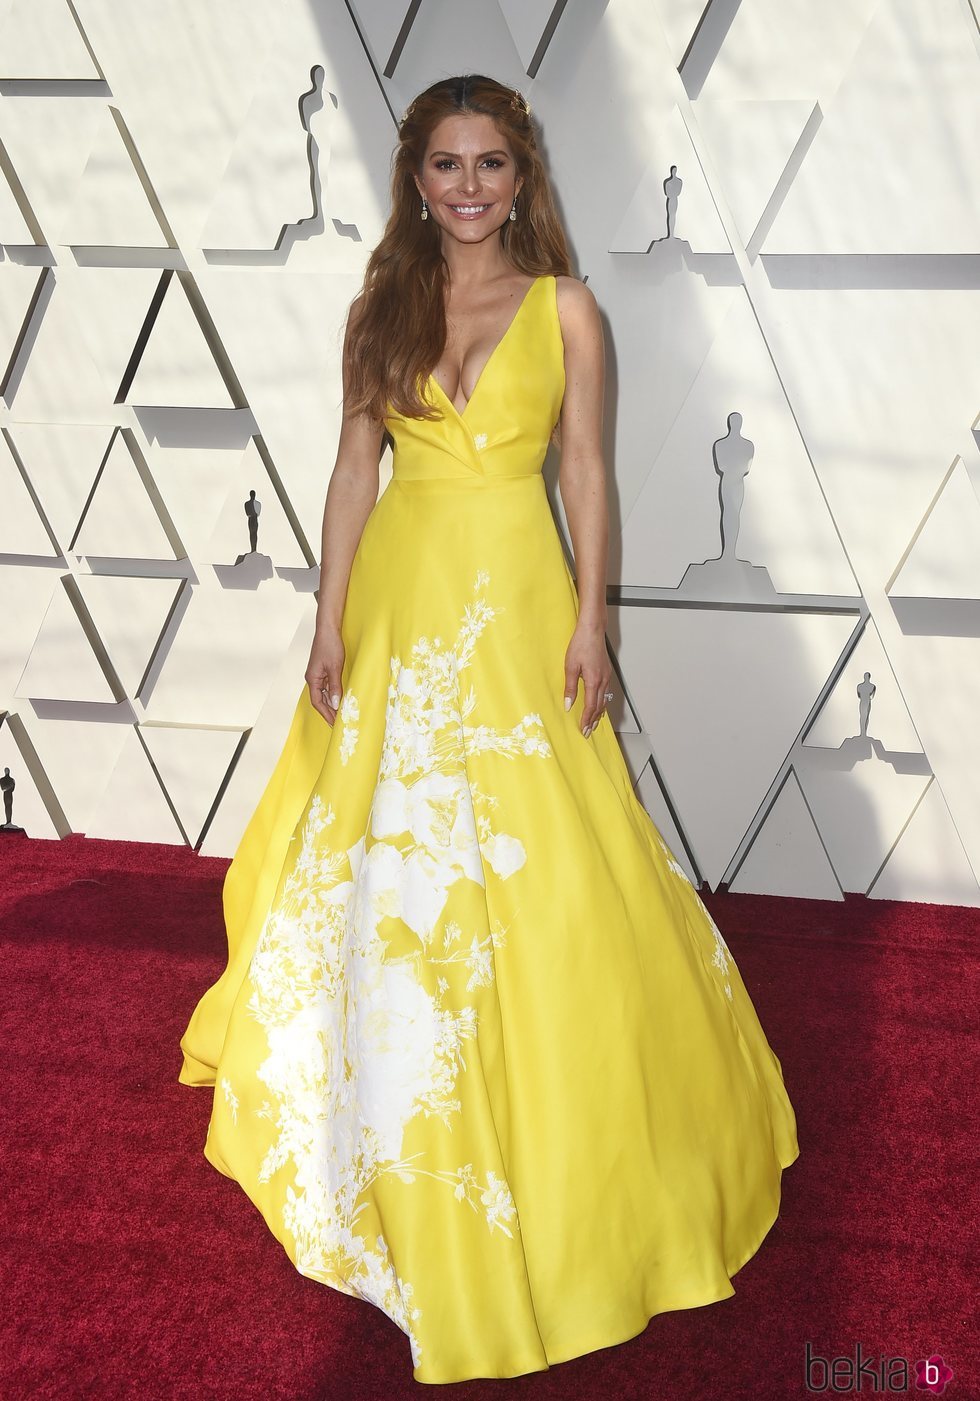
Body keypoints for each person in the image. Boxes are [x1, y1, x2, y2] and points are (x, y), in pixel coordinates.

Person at [178, 72, 800, 1386]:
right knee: (377, 853)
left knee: (554, 858)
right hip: (401, 597)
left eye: (494, 164)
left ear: (525, 179)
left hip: (516, 601)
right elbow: (357, 464)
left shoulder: (570, 313)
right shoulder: (381, 304)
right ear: (418, 179)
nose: (470, 185)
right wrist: (328, 615)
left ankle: (575, 1115)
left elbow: (585, 472)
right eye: (448, 164)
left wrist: (595, 621)